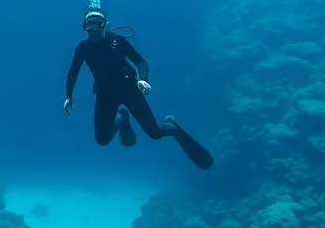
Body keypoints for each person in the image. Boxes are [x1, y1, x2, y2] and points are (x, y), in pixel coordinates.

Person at [64, 9, 214, 170]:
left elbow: (141, 62)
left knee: (155, 134)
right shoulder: (83, 48)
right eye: (89, 26)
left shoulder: (118, 41)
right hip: (105, 94)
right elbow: (73, 71)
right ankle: (122, 118)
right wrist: (69, 96)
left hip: (130, 90)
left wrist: (143, 80)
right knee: (102, 140)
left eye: (98, 25)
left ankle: (172, 127)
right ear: (84, 27)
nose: (94, 30)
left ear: (105, 25)